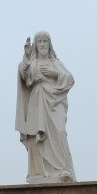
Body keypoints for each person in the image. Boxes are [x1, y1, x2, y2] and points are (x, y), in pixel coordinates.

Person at [16, 31, 76, 184]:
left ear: (50, 45)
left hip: (54, 102)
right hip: (38, 101)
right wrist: (27, 56)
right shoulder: (32, 62)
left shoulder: (55, 63)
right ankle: (41, 170)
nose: (42, 44)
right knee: (38, 136)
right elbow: (24, 75)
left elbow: (69, 79)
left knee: (59, 131)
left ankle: (63, 169)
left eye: (45, 41)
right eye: (40, 42)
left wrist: (55, 73)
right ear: (36, 45)